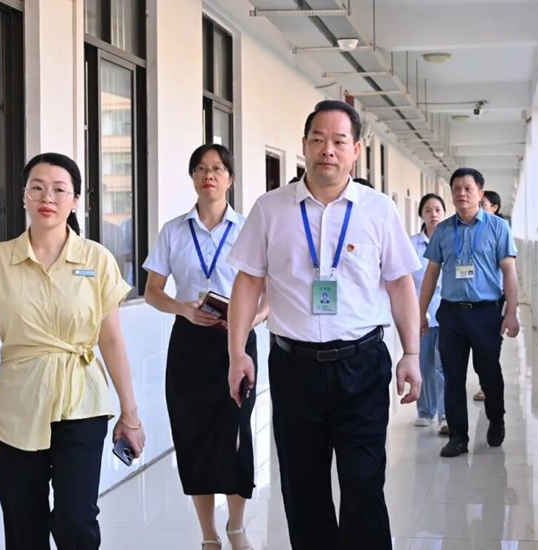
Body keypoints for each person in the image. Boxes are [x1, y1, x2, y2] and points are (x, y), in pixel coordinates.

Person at [225, 100, 422, 550]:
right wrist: (237, 353)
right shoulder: (271, 208)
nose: (327, 150)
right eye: (317, 139)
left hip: (362, 365)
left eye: (338, 141)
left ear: (356, 150)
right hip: (294, 368)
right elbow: (248, 282)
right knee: (302, 487)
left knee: (364, 481)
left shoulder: (378, 210)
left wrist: (411, 353)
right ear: (304, 145)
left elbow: (400, 284)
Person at [0, 153, 146, 550]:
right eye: (37, 188)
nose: (47, 198)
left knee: (76, 522)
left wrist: (130, 413)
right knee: (24, 527)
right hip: (17, 406)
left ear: (75, 201)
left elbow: (111, 339)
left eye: (59, 190)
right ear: (24, 195)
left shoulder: (97, 260)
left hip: (82, 403)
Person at [143, 144, 268, 550]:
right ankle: (208, 534)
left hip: (237, 344)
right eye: (200, 168)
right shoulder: (173, 231)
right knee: (192, 434)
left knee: (235, 433)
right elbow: (152, 290)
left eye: (216, 168)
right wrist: (182, 308)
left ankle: (236, 526)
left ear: (230, 178)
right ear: (193, 177)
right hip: (190, 345)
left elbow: (270, 292)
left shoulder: (249, 229)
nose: (208, 175)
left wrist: (249, 320)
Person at [418, 168, 520, 458]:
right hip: (451, 314)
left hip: (486, 313)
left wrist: (511, 312)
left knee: (488, 372)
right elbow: (431, 273)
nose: (461, 194)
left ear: (480, 193)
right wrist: (421, 312)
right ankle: (458, 437)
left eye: (468, 188)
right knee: (452, 376)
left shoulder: (498, 228)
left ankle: (496, 418)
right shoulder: (443, 231)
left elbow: (509, 272)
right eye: (456, 189)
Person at [411, 193, 448, 434]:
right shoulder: (411, 244)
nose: (433, 214)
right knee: (424, 364)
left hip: (447, 313)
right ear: (421, 215)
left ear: (444, 213)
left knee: (444, 366)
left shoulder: (451, 241)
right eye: (428, 210)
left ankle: (445, 414)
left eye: (437, 210)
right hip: (419, 313)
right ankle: (425, 411)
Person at [471, 189, 505, 402]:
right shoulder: (472, 229)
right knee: (479, 346)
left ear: (494, 208)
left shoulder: (500, 229)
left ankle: (488, 386)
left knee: (491, 344)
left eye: (483, 205)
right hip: (475, 297)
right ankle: (485, 383)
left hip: (495, 297)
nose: (479, 209)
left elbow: (509, 270)